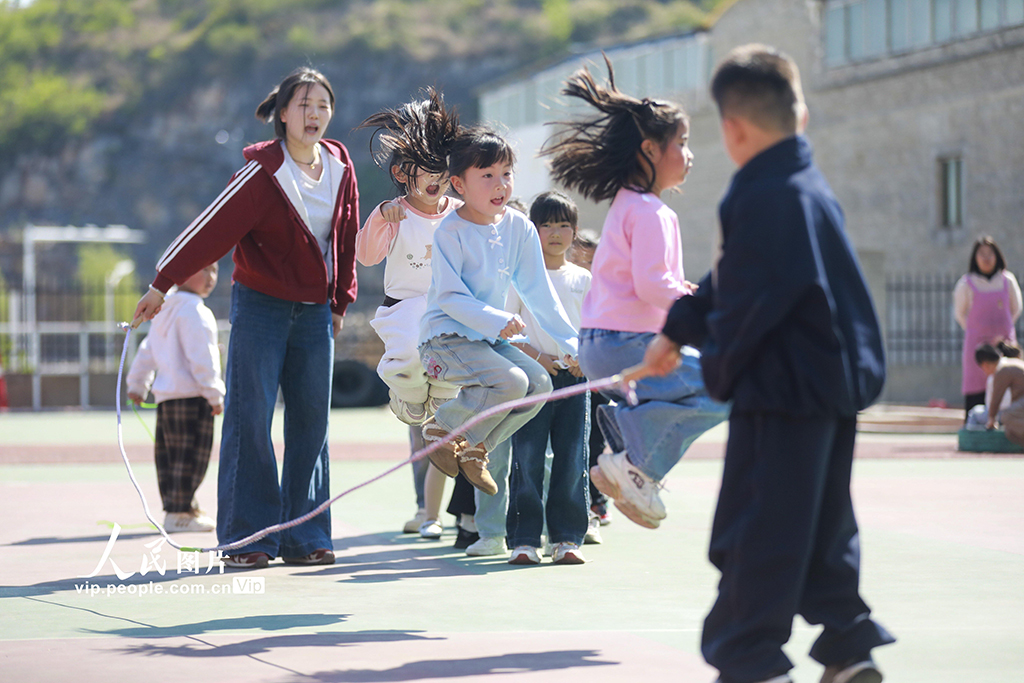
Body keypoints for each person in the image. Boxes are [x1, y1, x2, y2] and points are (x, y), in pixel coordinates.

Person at [639, 44, 895, 683]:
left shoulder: (759, 194)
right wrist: (683, 325)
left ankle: (752, 660)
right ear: (799, 115)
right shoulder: (807, 186)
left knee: (761, 527)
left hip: (783, 390)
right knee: (824, 522)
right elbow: (744, 277)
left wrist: (716, 365)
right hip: (831, 388)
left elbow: (753, 298)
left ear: (732, 128)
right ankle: (846, 648)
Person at [131, 67, 360, 570]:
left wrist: (339, 301)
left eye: (322, 104)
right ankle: (247, 539)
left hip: (316, 312)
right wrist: (162, 282)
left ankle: (306, 536)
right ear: (282, 115)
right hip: (262, 308)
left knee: (311, 423)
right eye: (303, 105)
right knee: (251, 420)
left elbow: (344, 237)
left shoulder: (342, 167)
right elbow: (210, 228)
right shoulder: (262, 173)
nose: (314, 114)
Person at [541, 58, 728, 530]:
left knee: (699, 389)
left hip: (601, 345)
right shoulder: (651, 212)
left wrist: (682, 292)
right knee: (726, 387)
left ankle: (624, 448)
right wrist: (697, 309)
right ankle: (633, 462)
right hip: (628, 344)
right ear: (649, 149)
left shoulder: (627, 204)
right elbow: (651, 285)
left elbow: (649, 281)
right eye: (681, 144)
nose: (689, 154)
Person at [417, 126, 580, 558]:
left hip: (489, 341)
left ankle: (476, 449)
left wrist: (572, 345)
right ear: (459, 184)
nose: (500, 184)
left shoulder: (520, 229)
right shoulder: (450, 232)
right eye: (486, 175)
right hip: (446, 339)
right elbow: (450, 297)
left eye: (506, 174)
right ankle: (439, 426)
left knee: (540, 385)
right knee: (511, 382)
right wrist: (496, 318)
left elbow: (538, 293)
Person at [355, 89, 462, 539]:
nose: (436, 177)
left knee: (449, 379)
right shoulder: (394, 214)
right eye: (426, 169)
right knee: (408, 358)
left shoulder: (459, 214)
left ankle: (434, 400)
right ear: (403, 173)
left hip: (447, 311)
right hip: (403, 310)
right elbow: (365, 257)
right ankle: (406, 396)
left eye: (443, 167)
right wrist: (380, 217)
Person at [505, 191, 592, 565]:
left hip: (575, 379)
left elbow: (595, 328)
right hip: (533, 378)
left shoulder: (584, 279)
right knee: (527, 456)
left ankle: (567, 538)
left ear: (574, 231)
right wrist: (538, 356)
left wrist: (584, 359)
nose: (555, 233)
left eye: (564, 225)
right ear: (532, 230)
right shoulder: (520, 278)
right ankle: (524, 539)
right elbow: (506, 330)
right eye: (546, 225)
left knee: (573, 457)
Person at [127, 263, 224, 533]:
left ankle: (182, 505)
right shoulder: (195, 311)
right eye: (203, 270)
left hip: (166, 398)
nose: (210, 277)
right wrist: (214, 393)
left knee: (170, 456)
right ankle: (179, 512)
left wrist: (137, 383)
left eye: (214, 271)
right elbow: (202, 358)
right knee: (192, 456)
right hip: (193, 397)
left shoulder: (164, 310)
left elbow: (147, 350)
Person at [568, 229, 612, 530]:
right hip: (569, 373)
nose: (587, 267)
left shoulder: (608, 293)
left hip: (598, 377)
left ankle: (596, 500)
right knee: (570, 442)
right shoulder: (565, 286)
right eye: (580, 260)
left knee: (596, 441)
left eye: (592, 261)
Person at [953, 237, 1021, 418]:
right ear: (975, 258)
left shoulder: (1008, 280)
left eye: (990, 253)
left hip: (1003, 346)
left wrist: (1004, 330)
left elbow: (1016, 308)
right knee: (977, 391)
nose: (986, 258)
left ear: (997, 256)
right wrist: (977, 331)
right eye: (981, 254)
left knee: (1008, 385)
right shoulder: (966, 283)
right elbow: (960, 314)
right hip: (977, 348)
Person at [975, 341, 1024, 446]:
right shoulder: (1009, 363)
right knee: (1010, 432)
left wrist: (991, 418)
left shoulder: (1002, 370)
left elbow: (996, 398)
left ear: (985, 365)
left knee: (1008, 416)